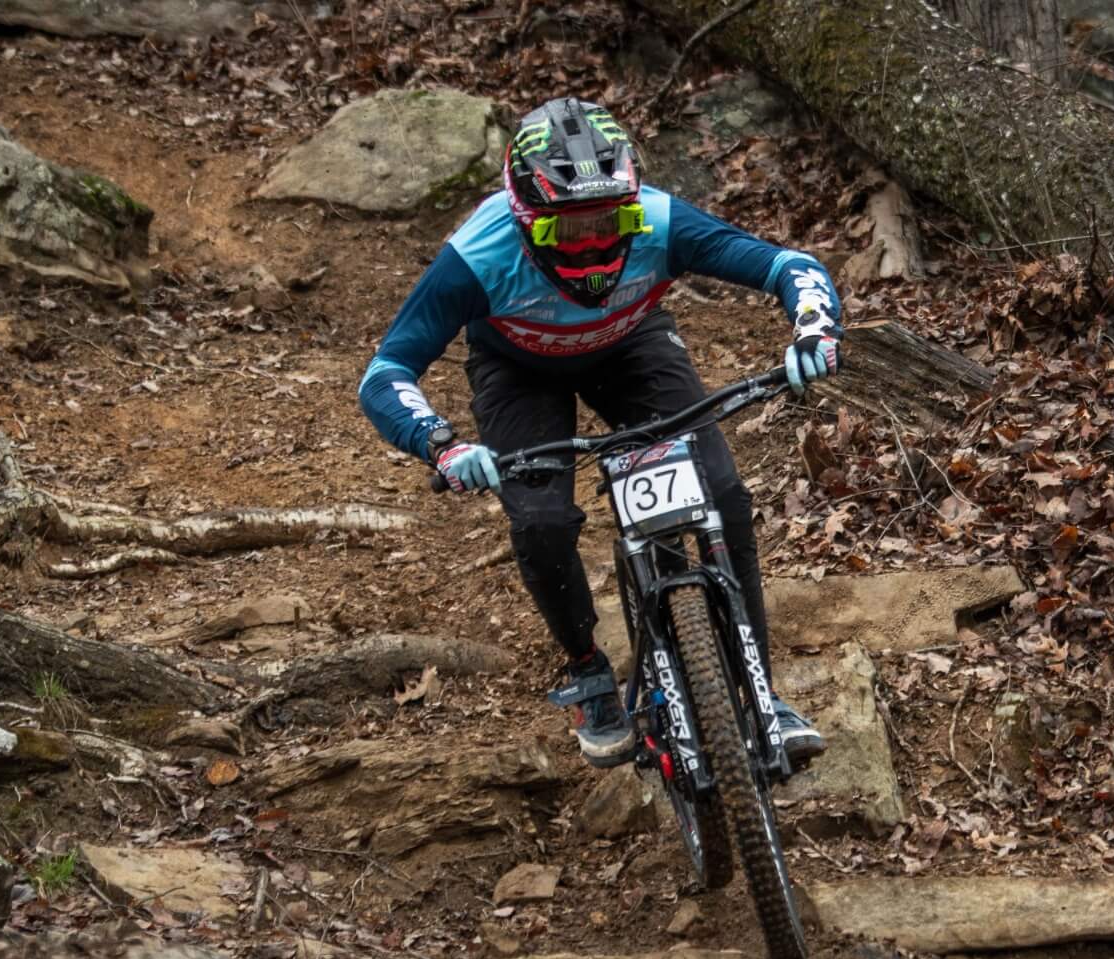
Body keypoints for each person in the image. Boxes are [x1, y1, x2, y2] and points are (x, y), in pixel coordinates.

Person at [358, 97, 841, 768]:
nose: (592, 244)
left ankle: (760, 693)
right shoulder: (475, 255)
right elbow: (385, 373)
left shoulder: (662, 221)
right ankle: (588, 669)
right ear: (525, 219)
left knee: (724, 495)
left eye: (611, 222)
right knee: (542, 521)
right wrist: (442, 443)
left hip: (631, 345)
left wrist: (814, 327)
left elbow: (788, 266)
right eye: (569, 229)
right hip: (518, 368)